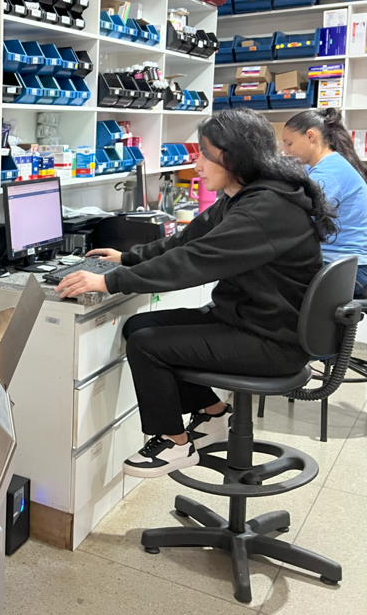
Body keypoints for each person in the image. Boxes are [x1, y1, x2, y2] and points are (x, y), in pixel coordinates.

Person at [56, 109, 336, 478]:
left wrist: (111, 281)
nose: (197, 163)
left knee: (149, 344)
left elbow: (194, 261)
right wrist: (127, 258)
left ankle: (174, 443)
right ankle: (214, 415)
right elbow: (190, 239)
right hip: (253, 319)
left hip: (273, 341)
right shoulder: (247, 195)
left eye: (206, 153)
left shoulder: (266, 208)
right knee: (137, 326)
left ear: (235, 156)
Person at [281, 107, 367, 297]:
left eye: (289, 143)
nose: (285, 152)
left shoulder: (328, 173)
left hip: (349, 270)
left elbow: (300, 219)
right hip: (345, 265)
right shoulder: (329, 166)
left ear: (311, 136)